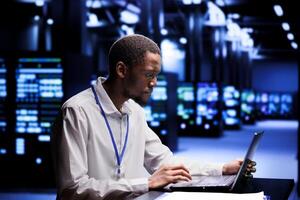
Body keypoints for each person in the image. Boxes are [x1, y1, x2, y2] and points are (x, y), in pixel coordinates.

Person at [52, 34, 256, 200]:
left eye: (157, 75)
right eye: (149, 74)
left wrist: (221, 168)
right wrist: (146, 183)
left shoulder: (135, 112)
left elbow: (166, 163)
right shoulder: (77, 111)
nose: (154, 82)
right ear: (122, 69)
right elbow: (72, 190)